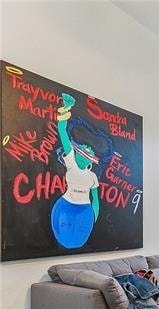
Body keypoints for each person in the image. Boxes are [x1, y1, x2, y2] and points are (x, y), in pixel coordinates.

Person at [50, 93, 100, 249]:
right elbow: (62, 131)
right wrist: (65, 110)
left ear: (91, 160)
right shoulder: (71, 161)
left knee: (78, 239)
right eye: (84, 148)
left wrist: (93, 216)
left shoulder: (92, 176)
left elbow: (95, 199)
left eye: (89, 150)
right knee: (64, 235)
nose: (87, 149)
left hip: (85, 209)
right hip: (65, 205)